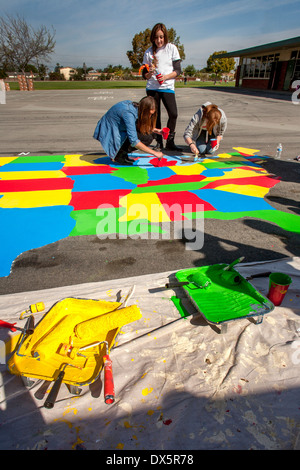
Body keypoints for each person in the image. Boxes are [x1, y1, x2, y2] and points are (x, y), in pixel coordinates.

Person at [142, 23, 182, 151]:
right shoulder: (148, 52)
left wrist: (165, 77)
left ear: (165, 37)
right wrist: (149, 73)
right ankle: (159, 142)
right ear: (153, 38)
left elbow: (178, 70)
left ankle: (170, 141)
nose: (159, 40)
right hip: (152, 88)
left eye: (161, 37)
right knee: (155, 116)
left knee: (173, 114)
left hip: (167, 87)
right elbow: (145, 75)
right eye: (156, 37)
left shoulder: (172, 48)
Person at [93, 96, 164, 164]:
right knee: (147, 138)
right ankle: (120, 154)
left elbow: (137, 125)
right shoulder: (129, 114)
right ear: (144, 110)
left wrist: (156, 130)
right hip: (109, 132)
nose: (149, 116)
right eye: (149, 114)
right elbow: (134, 141)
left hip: (116, 129)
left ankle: (121, 152)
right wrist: (155, 153)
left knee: (151, 134)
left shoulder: (135, 107)